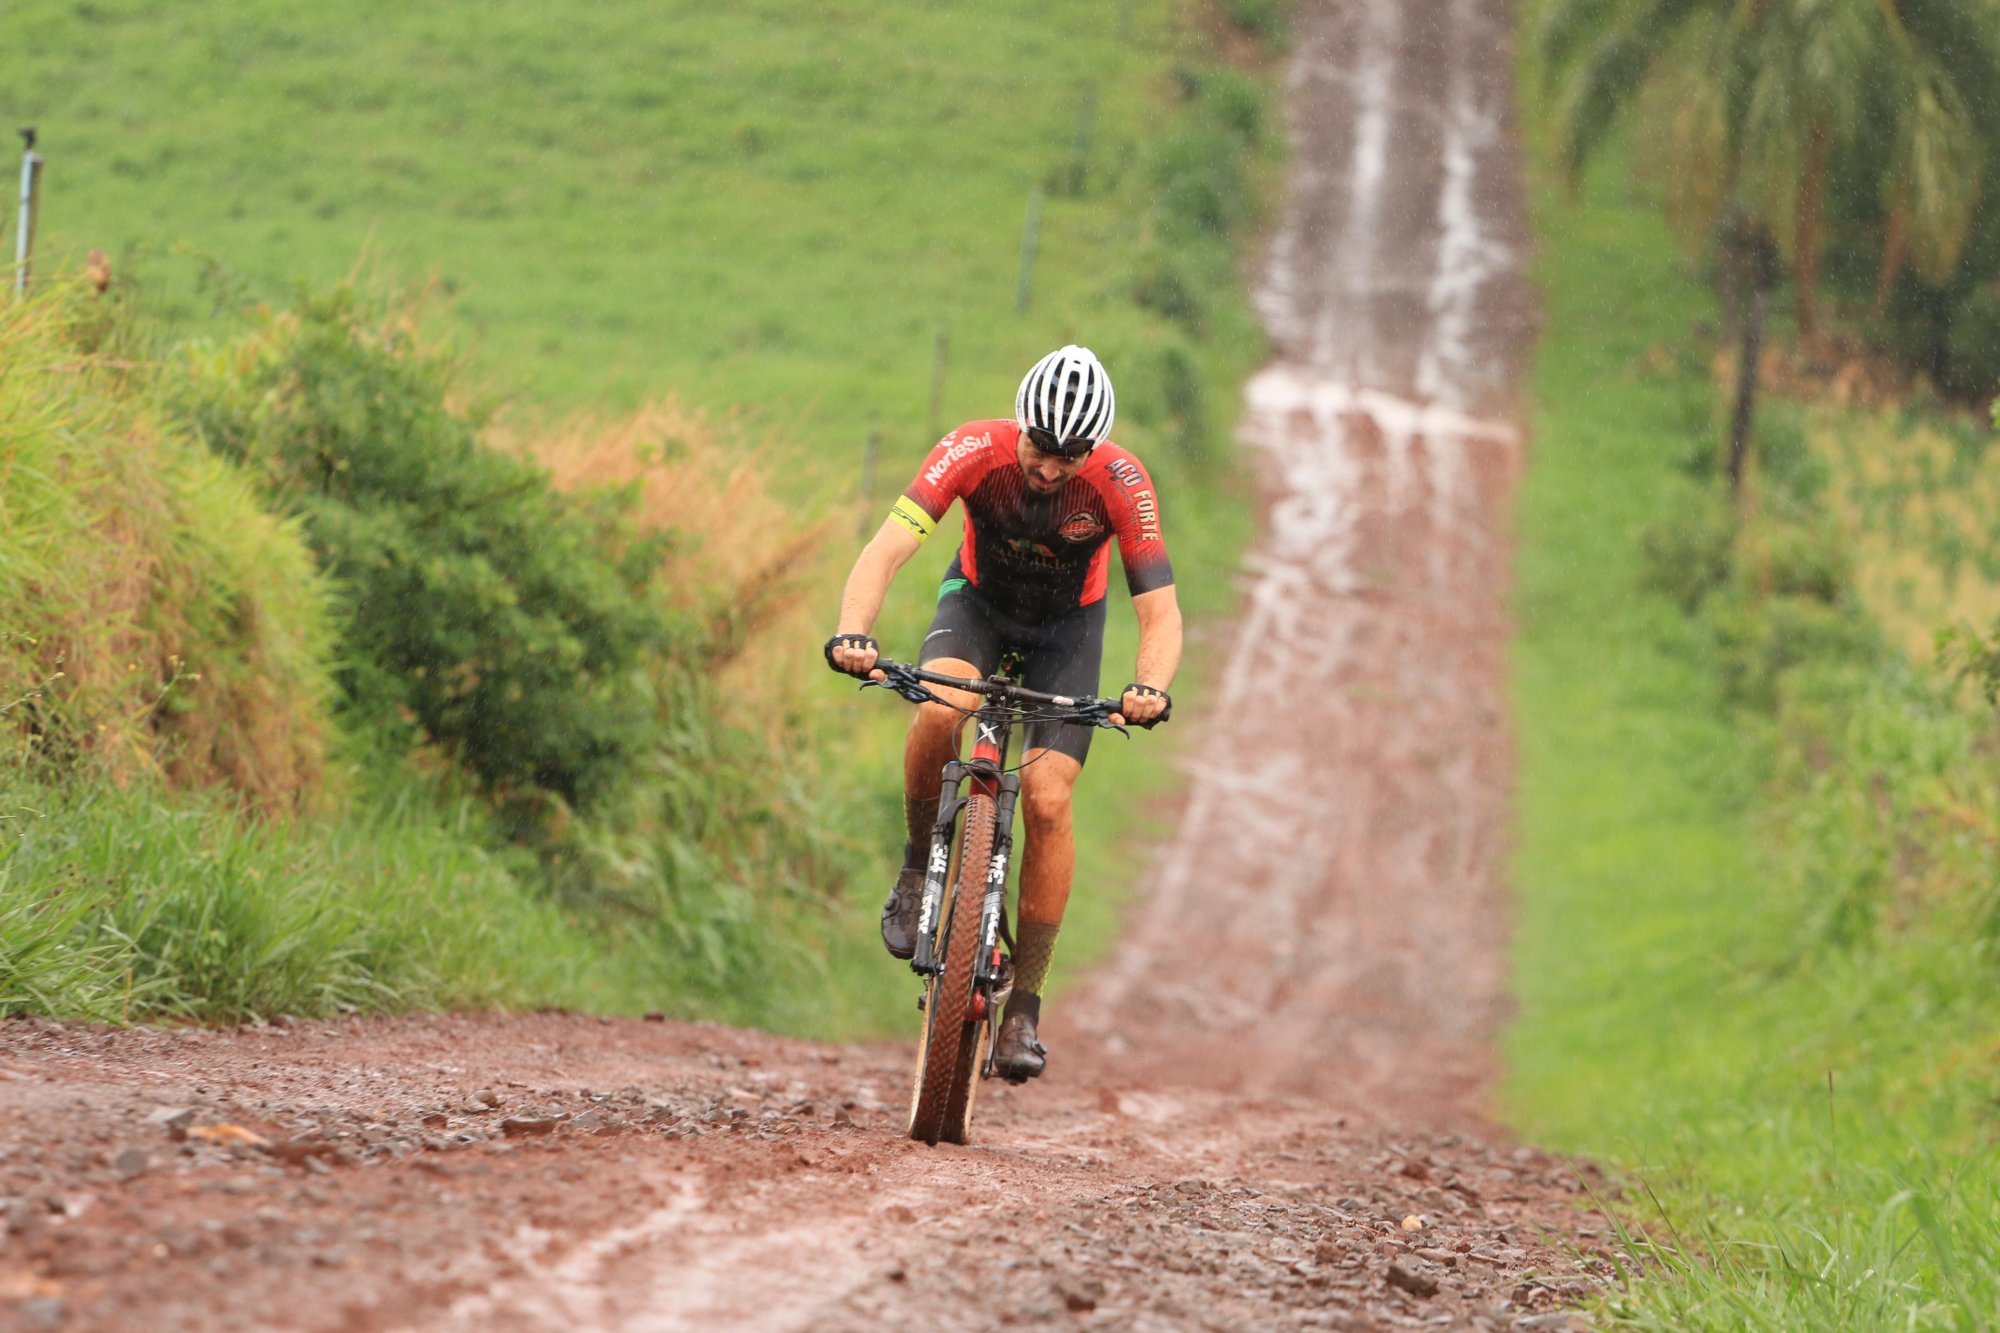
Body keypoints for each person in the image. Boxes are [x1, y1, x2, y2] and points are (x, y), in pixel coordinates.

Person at [824, 345, 1182, 1082]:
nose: (1050, 468)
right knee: (939, 710)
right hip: (978, 609)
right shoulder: (971, 449)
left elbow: (1161, 611)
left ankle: (1025, 1005)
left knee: (1049, 798)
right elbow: (888, 546)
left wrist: (1149, 686)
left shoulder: (1122, 481)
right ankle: (920, 866)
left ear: (1096, 446)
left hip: (1067, 635)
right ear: (1020, 424)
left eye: (1069, 454)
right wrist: (856, 629)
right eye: (1040, 447)